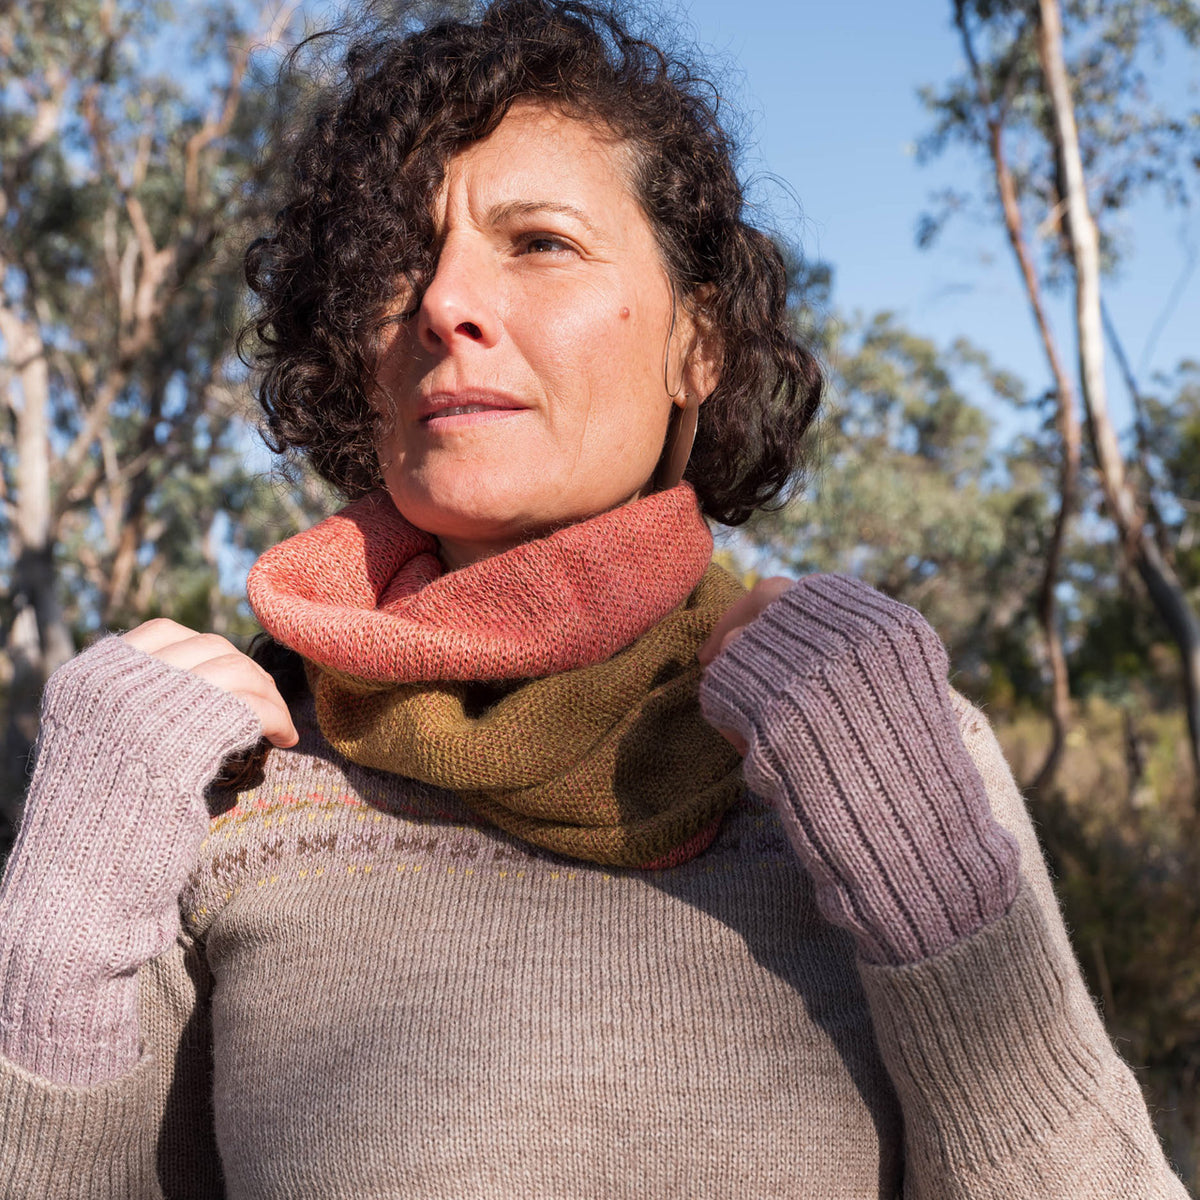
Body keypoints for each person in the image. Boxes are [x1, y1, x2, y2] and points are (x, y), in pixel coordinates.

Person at [0, 2, 1189, 1196]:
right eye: (399, 257)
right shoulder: (213, 790)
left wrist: (914, 846)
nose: (444, 302)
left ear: (698, 345)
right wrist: (57, 920)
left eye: (540, 243)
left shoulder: (876, 748)